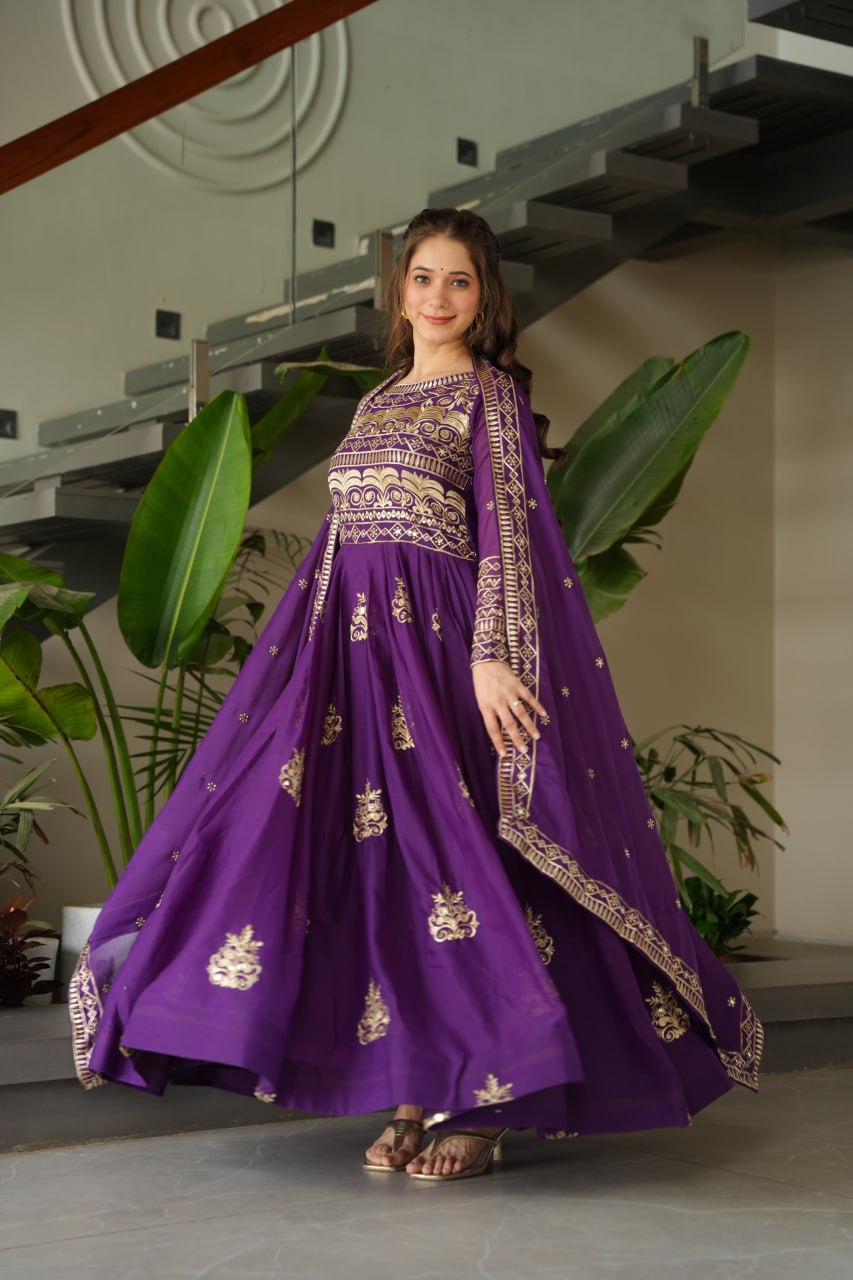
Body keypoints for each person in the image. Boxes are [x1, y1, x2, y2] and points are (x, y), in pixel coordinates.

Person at [69, 207, 762, 1183]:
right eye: (423, 277)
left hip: (441, 655)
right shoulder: (379, 398)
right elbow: (342, 541)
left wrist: (492, 657)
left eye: (458, 281)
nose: (437, 297)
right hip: (351, 664)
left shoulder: (488, 397)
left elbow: (509, 534)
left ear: (485, 298)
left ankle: (486, 1104)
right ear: (400, 290)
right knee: (383, 870)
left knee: (464, 863)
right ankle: (411, 1090)